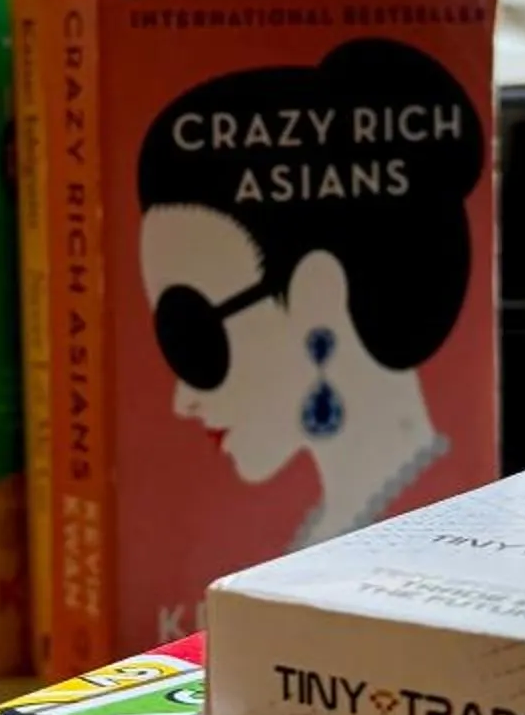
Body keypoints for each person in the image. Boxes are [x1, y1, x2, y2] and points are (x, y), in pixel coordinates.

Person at [136, 36, 485, 545]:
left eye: (193, 340)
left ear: (316, 295)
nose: (182, 401)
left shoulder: (444, 521)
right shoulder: (327, 526)